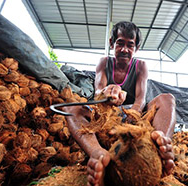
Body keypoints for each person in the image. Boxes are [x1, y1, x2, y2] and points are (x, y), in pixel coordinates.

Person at [63, 21, 176, 186]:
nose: (124, 49)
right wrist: (108, 92)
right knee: (71, 107)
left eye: (130, 45)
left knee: (167, 99)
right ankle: (99, 154)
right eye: (120, 43)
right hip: (107, 121)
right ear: (112, 43)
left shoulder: (141, 66)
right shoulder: (104, 63)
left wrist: (132, 117)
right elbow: (97, 93)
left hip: (136, 120)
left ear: (136, 48)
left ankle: (159, 144)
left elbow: (140, 99)